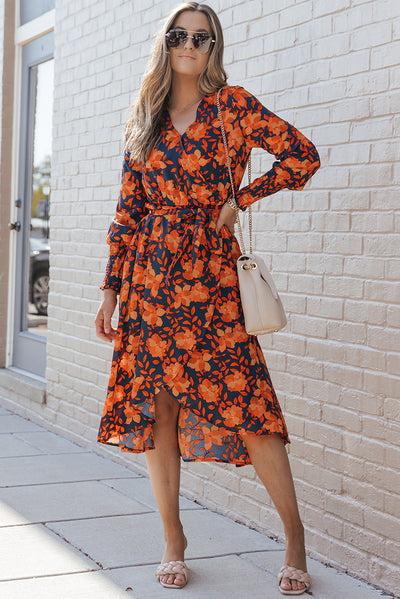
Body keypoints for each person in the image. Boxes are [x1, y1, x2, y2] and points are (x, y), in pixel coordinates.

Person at [95, 2, 320, 594]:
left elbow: (302, 155)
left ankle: (294, 537)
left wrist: (242, 199)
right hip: (150, 282)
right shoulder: (145, 115)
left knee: (251, 408)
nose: (189, 44)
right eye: (178, 34)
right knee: (161, 408)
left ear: (214, 47)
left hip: (214, 281)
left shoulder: (234, 107)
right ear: (164, 43)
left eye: (202, 36)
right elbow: (128, 211)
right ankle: (174, 536)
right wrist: (110, 292)